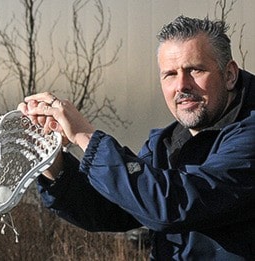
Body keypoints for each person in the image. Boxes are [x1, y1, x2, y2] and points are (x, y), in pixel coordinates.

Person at [18, 16, 255, 260]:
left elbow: (175, 205)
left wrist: (85, 136)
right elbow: (113, 207)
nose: (182, 85)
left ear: (229, 75)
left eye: (195, 70)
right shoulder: (168, 142)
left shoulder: (249, 136)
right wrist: (52, 161)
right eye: (170, 74)